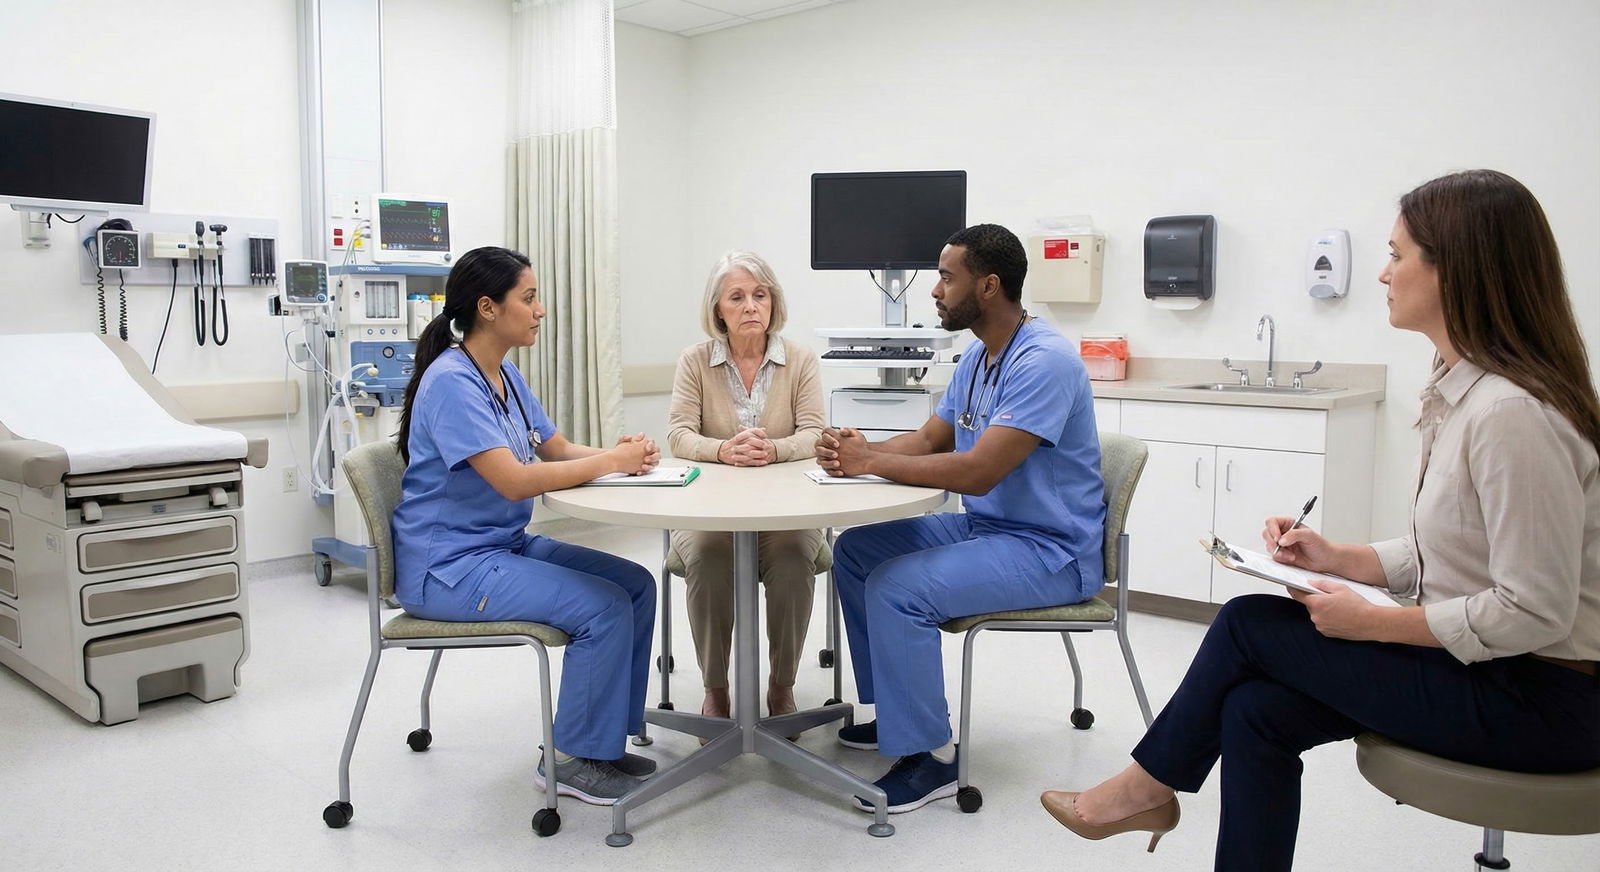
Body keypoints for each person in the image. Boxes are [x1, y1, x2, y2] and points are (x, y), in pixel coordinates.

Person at [1040, 169, 1600, 870]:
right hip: (1483, 670)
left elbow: (1535, 610)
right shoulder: (1464, 394)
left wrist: (1376, 623)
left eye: (1398, 255)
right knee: (1255, 713)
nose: (1383, 275)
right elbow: (1458, 555)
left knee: (1246, 622)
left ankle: (1143, 788)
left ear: (1456, 269)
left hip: (1543, 701)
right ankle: (1157, 799)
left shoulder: (1511, 414)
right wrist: (1339, 559)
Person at [814, 223, 1106, 813]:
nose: (934, 291)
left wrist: (871, 460)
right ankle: (898, 713)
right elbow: (928, 438)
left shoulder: (1043, 361)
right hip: (990, 528)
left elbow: (977, 473)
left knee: (898, 587)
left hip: (1051, 551)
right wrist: (856, 452)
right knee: (857, 551)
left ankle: (932, 757)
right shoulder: (978, 356)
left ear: (990, 286)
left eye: (947, 277)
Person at [391, 246, 662, 806]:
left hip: (501, 546)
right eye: (530, 298)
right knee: (602, 607)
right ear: (488, 308)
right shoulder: (452, 382)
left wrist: (625, 454)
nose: (540, 311)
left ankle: (602, 743)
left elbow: (557, 448)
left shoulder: (504, 375)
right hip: (448, 568)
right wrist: (611, 463)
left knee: (636, 585)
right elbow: (515, 481)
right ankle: (568, 759)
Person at [666, 251, 827, 724]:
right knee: (712, 558)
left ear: (774, 301)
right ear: (718, 308)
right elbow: (678, 434)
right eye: (737, 297)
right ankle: (716, 688)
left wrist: (773, 451)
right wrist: (723, 451)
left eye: (760, 295)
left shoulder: (801, 360)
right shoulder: (694, 361)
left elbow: (816, 433)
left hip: (787, 511)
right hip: (708, 511)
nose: (751, 306)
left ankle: (782, 685)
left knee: (796, 554)